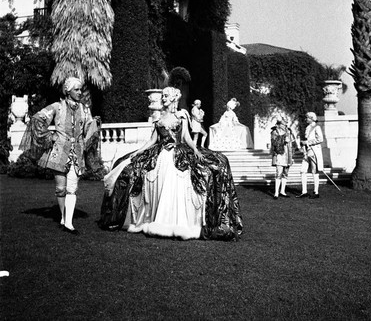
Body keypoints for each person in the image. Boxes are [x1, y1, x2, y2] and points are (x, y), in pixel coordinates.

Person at [98, 86, 243, 241]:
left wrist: (195, 149)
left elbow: (186, 137)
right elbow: (152, 141)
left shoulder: (181, 117)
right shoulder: (158, 119)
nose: (164, 98)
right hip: (160, 154)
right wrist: (138, 152)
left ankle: (178, 220)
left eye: (166, 96)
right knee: (128, 167)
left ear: (174, 98)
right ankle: (156, 219)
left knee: (217, 164)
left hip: (178, 153)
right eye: (163, 96)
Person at [20, 77, 99, 234]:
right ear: (68, 91)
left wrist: (93, 128)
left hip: (76, 153)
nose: (80, 92)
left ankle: (68, 223)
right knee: (60, 189)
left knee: (72, 188)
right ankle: (64, 217)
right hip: (59, 152)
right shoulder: (57, 107)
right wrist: (50, 136)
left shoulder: (85, 109)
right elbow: (37, 118)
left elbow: (90, 129)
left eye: (80, 89)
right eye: (76, 89)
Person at [296, 112, 324, 199]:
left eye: (307, 118)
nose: (306, 119)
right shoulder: (308, 127)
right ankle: (304, 192)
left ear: (312, 118)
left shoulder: (317, 127)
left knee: (314, 171)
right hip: (306, 152)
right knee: (303, 171)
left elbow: (320, 139)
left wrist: (307, 142)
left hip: (313, 151)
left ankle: (316, 192)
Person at [270, 114, 298, 199]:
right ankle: (276, 193)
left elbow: (293, 142)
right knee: (279, 173)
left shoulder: (289, 130)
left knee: (285, 173)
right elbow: (273, 142)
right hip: (280, 153)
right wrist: (282, 140)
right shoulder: (275, 131)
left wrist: (293, 151)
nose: (285, 125)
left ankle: (282, 191)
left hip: (288, 154)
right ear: (279, 123)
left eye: (286, 123)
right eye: (283, 123)